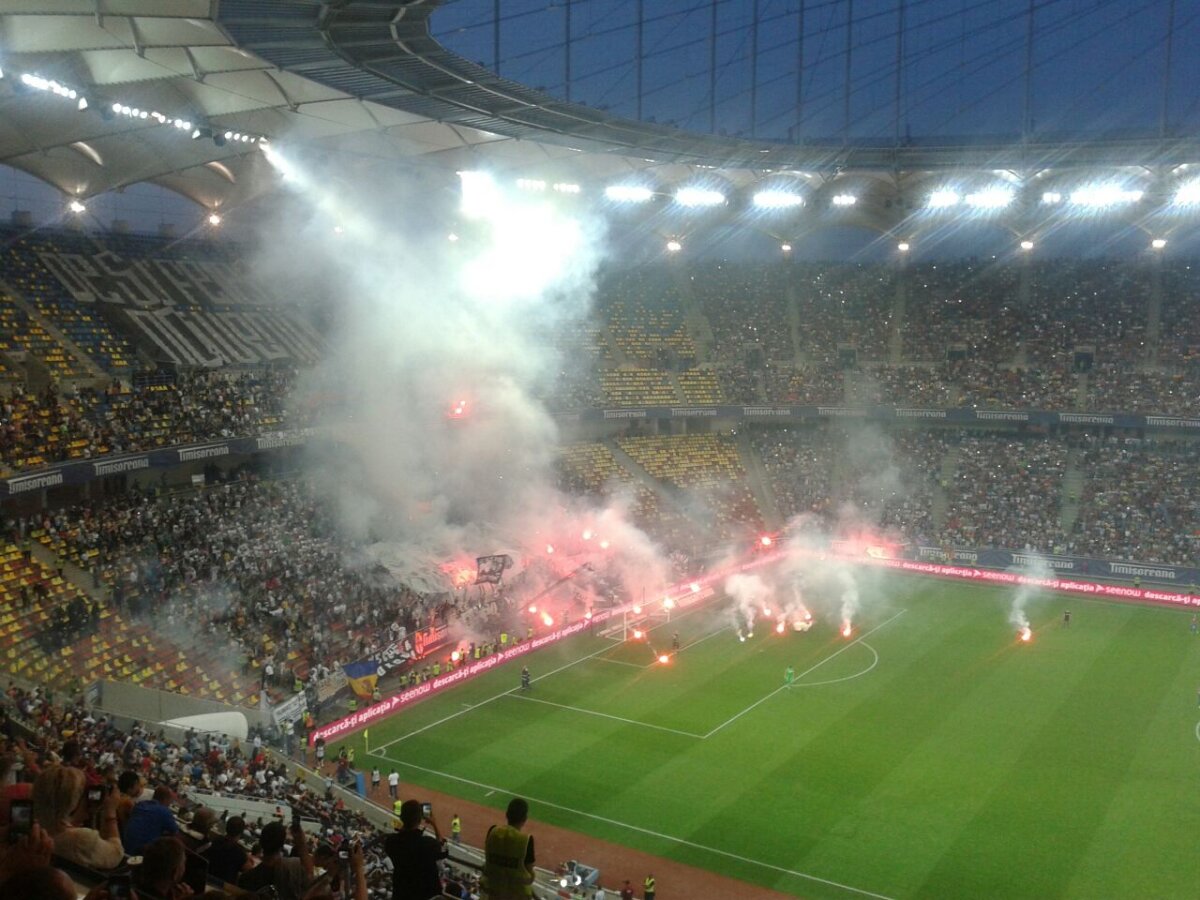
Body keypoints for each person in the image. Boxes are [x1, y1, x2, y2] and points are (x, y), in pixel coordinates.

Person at [32, 765, 124, 869]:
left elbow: (59, 825)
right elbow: (116, 854)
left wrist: (80, 815)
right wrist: (110, 812)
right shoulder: (81, 839)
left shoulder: (32, 828)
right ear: (72, 801)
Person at [384, 798, 448, 900]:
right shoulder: (427, 843)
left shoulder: (391, 841)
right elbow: (444, 851)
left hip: (401, 892)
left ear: (402, 817)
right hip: (425, 894)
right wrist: (434, 824)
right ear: (419, 820)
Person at [237, 819, 313, 900]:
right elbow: (309, 877)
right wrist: (302, 843)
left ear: (261, 842)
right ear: (282, 844)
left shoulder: (245, 879)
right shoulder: (294, 869)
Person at [482, 797, 535, 899]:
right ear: (525, 819)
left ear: (507, 815)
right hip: (516, 895)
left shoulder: (492, 832)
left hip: (493, 894)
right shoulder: (526, 840)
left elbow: (488, 861)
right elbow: (530, 875)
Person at [123, 785, 179, 855]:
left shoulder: (140, 804)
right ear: (165, 799)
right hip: (140, 853)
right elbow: (175, 832)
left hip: (125, 846)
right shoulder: (164, 811)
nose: (169, 804)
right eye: (170, 801)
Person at [203, 815, 250, 885]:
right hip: (223, 887)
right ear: (241, 832)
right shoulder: (240, 852)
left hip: (207, 879)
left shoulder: (215, 840)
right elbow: (248, 871)